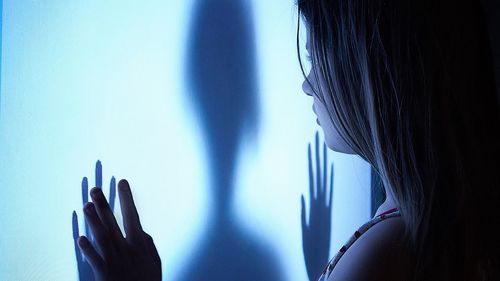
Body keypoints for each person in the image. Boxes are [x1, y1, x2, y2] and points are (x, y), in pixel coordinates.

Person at [76, 0, 500, 280]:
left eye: (316, 57)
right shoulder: (422, 225)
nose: (308, 84)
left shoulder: (387, 251)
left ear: (369, 71)